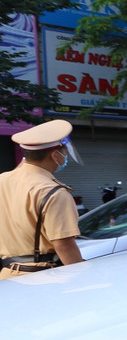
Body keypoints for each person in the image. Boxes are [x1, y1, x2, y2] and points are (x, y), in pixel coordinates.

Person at [0, 119, 84, 280]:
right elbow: (64, 246)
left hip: (7, 278)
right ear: (55, 155)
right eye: (64, 152)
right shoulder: (53, 192)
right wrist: (80, 280)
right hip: (44, 279)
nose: (65, 156)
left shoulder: (2, 180)